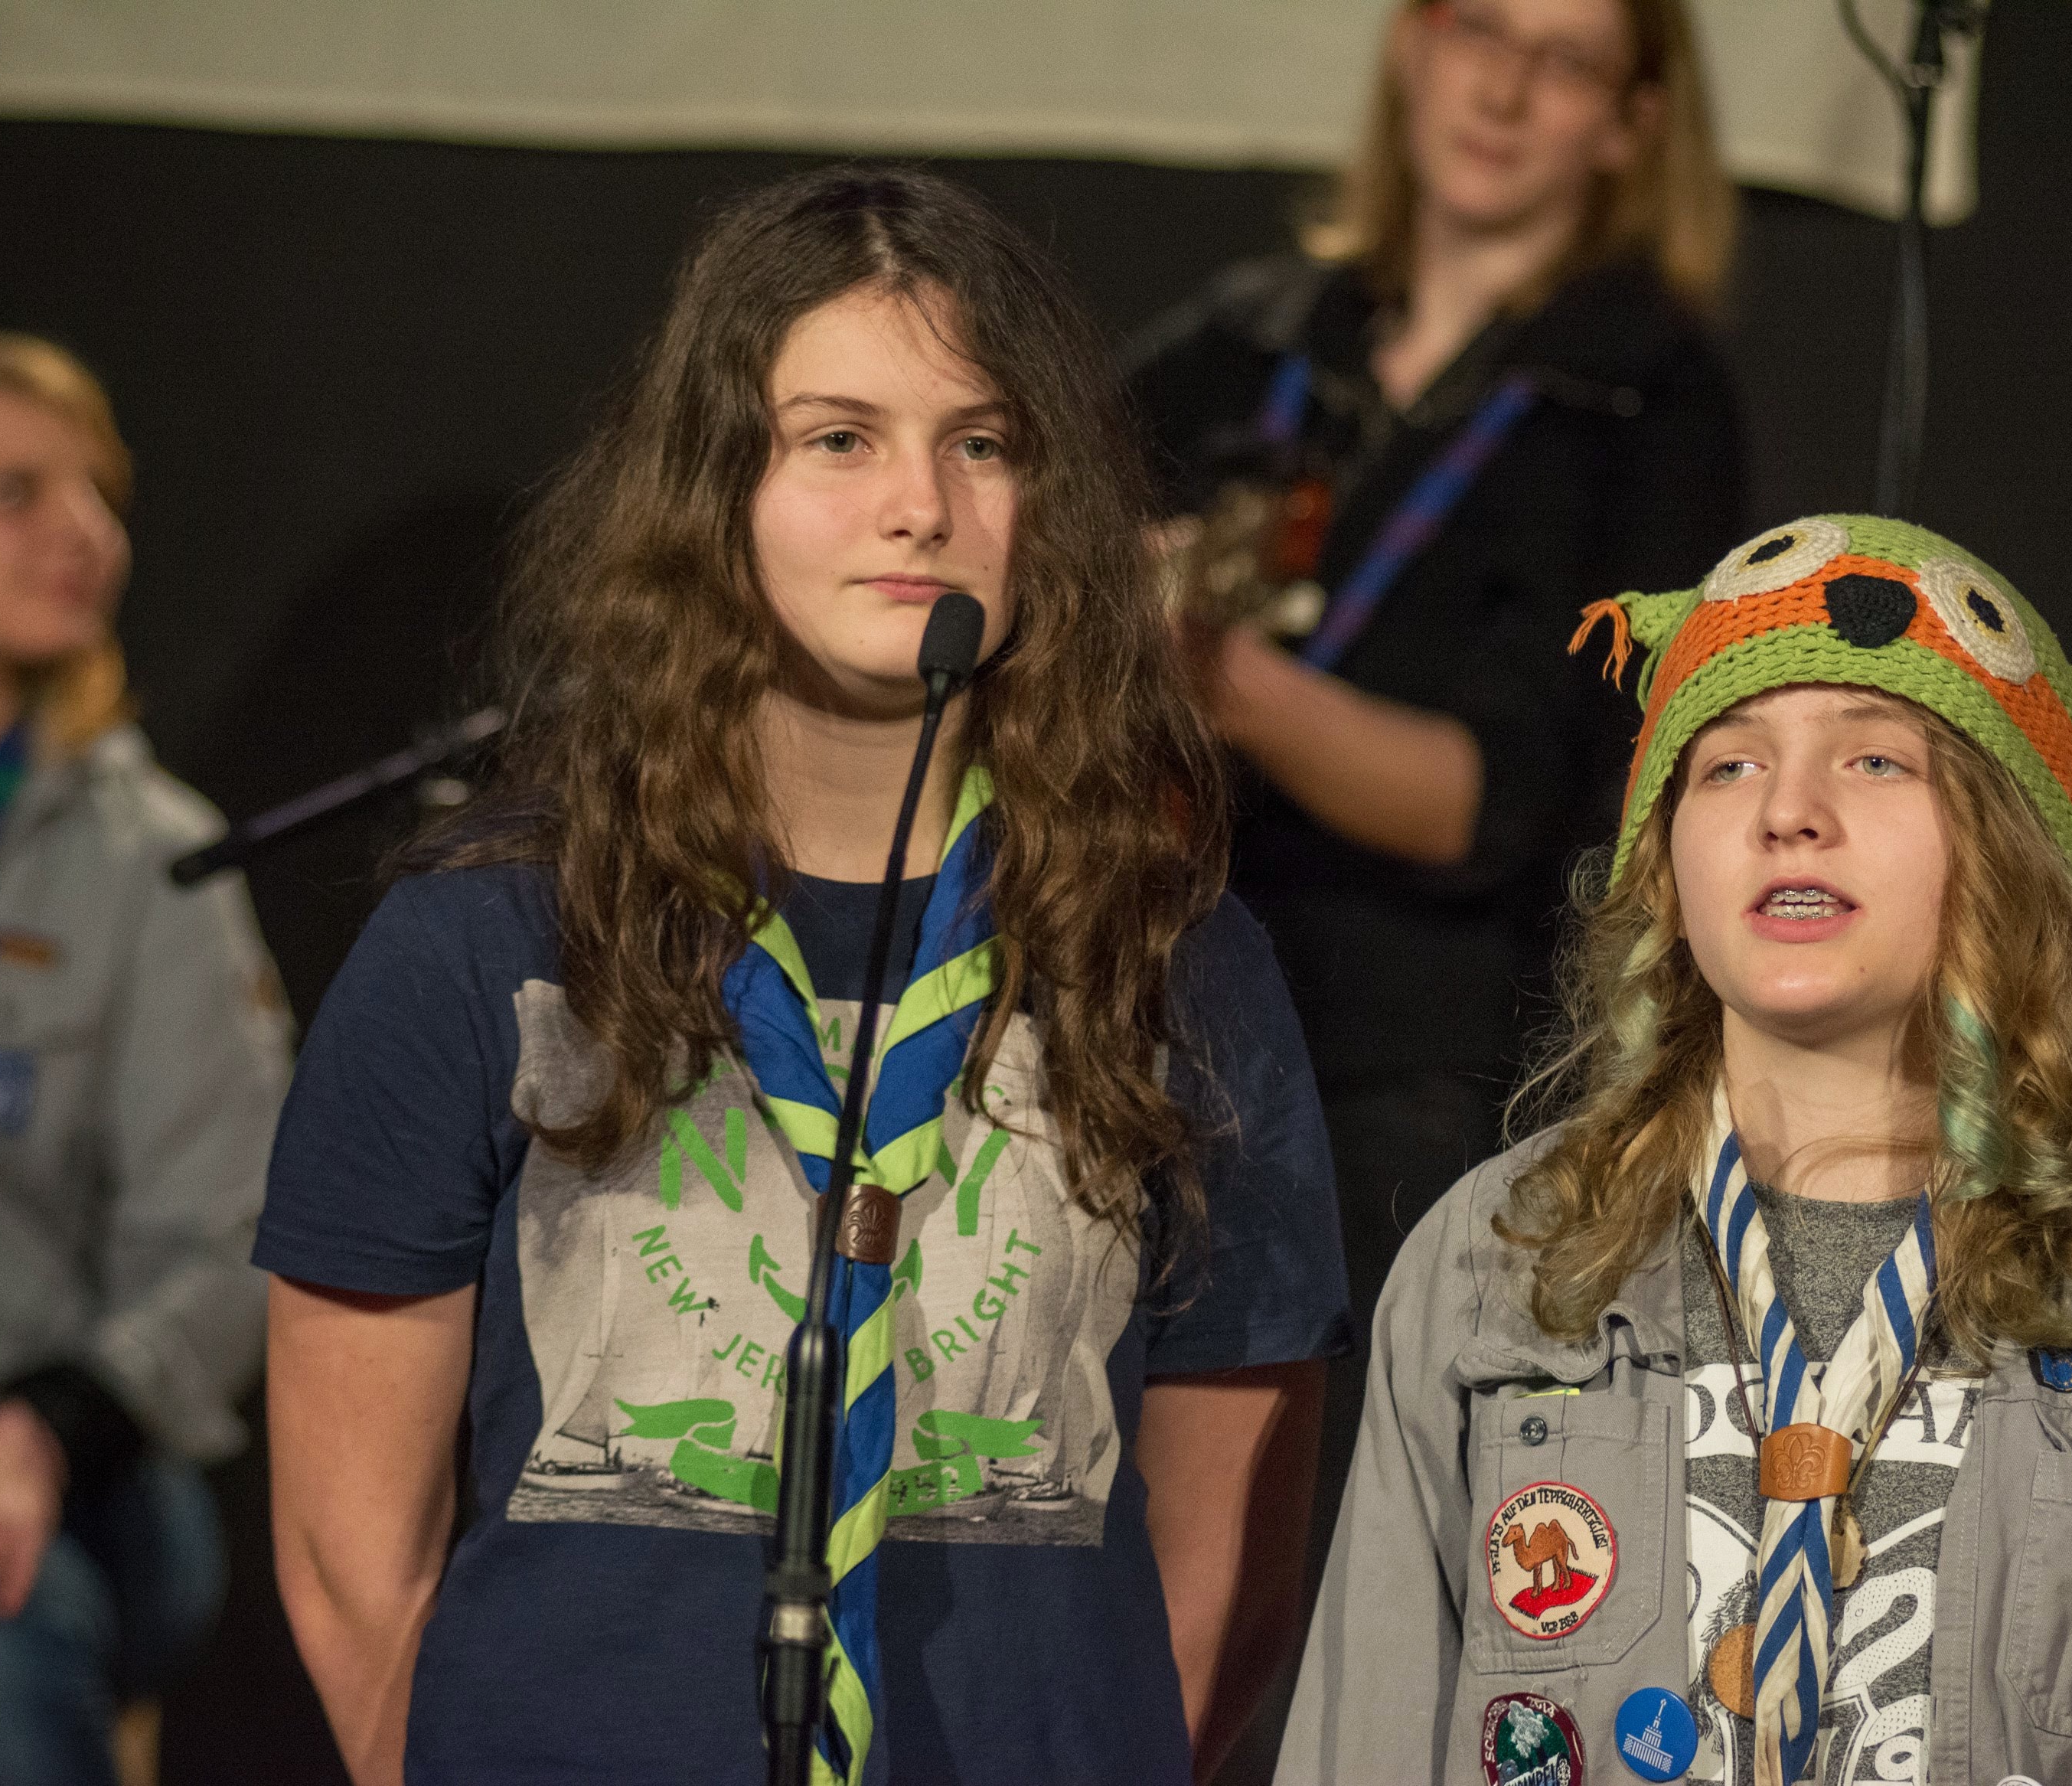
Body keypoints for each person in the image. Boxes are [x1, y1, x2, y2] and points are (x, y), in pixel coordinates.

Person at [255, 166, 1349, 1786]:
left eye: (984, 443)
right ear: (715, 486)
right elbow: (355, 1570)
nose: (921, 506)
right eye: (839, 439)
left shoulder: (1173, 955)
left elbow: (1226, 1578)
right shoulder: (487, 937)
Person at [1281, 516, 2072, 1783]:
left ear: (2007, 842)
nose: (1789, 813)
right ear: (1665, 860)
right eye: (1728, 764)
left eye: (1875, 758)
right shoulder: (1501, 1260)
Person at [1126, 0, 1747, 1350]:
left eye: (1565, 61)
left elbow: (1491, 806)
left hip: (1403, 1068)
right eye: (1479, 30)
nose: (1504, 93)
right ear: (1414, 43)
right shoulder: (1255, 336)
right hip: (1150, 1014)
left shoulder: (1645, 404)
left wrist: (1223, 679)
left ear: (1632, 123)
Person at [0, 328, 289, 1783]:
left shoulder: (152, 859)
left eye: (100, 493)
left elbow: (236, 1236)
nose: (85, 533)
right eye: (15, 491)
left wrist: (38, 1437)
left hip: (47, 1455)